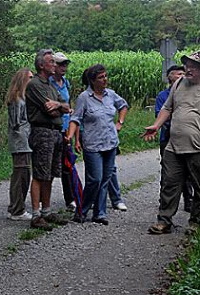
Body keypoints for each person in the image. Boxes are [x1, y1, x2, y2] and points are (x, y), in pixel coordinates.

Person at [144, 51, 200, 235]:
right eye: (187, 65)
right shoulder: (179, 84)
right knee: (169, 183)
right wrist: (156, 126)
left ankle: (196, 223)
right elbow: (168, 107)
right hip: (173, 146)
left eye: (193, 66)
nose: (188, 69)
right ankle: (164, 221)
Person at [67, 64, 128, 225]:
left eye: (105, 76)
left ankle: (100, 213)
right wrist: (71, 136)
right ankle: (82, 210)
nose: (105, 80)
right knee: (95, 179)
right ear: (92, 81)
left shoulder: (111, 95)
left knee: (106, 179)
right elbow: (76, 119)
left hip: (110, 142)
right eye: (101, 77)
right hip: (93, 144)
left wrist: (120, 122)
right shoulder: (84, 98)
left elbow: (123, 105)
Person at [25, 49, 71, 230]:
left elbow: (65, 107)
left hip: (55, 132)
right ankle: (36, 214)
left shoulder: (51, 85)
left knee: (50, 173)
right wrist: (59, 107)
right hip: (42, 132)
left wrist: (59, 105)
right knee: (39, 173)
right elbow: (48, 109)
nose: (55, 64)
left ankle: (47, 210)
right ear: (41, 65)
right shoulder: (35, 85)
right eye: (51, 62)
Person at [155, 65, 193, 213]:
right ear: (169, 77)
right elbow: (160, 115)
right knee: (168, 171)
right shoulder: (162, 96)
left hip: (187, 138)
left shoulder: (190, 94)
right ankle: (165, 202)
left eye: (183, 73)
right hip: (168, 137)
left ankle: (188, 200)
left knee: (188, 171)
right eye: (177, 74)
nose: (181, 76)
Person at [49, 52, 77, 212]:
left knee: (67, 165)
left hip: (66, 129)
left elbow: (68, 104)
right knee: (51, 165)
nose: (63, 67)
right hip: (55, 128)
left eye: (65, 64)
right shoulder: (49, 83)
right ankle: (43, 200)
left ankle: (70, 198)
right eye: (60, 64)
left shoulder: (65, 83)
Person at [6, 68, 34, 221]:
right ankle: (17, 209)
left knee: (23, 174)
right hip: (20, 142)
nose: (32, 80)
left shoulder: (23, 98)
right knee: (20, 175)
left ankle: (17, 206)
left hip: (25, 141)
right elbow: (15, 123)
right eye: (29, 77)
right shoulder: (17, 99)